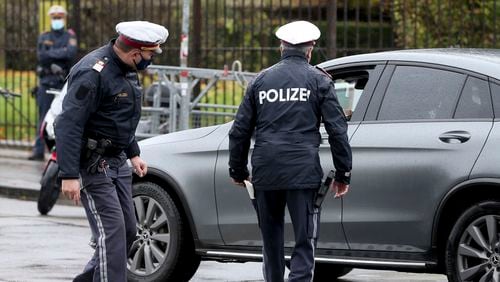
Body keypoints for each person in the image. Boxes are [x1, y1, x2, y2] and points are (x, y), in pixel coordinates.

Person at [228, 21, 352, 282]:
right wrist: (343, 173)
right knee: (305, 237)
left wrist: (238, 170)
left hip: (266, 170)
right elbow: (338, 130)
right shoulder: (319, 80)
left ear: (281, 46)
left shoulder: (260, 81)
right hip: (302, 171)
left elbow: (239, 130)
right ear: (311, 49)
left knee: (270, 237)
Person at [55, 21, 169, 281]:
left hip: (117, 161)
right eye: (150, 55)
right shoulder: (92, 72)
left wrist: (133, 153)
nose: (151, 60)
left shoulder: (127, 67)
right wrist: (69, 174)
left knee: (128, 230)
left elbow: (118, 117)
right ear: (135, 53)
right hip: (93, 165)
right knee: (113, 234)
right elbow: (69, 124)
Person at [29, 5, 78, 161]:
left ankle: (61, 151)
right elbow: (42, 57)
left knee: (64, 116)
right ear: (51, 18)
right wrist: (60, 53)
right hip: (46, 81)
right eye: (54, 17)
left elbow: (70, 54)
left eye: (60, 17)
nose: (57, 20)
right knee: (43, 116)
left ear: (64, 18)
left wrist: (52, 54)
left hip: (63, 81)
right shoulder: (44, 36)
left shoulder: (70, 36)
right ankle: (38, 150)